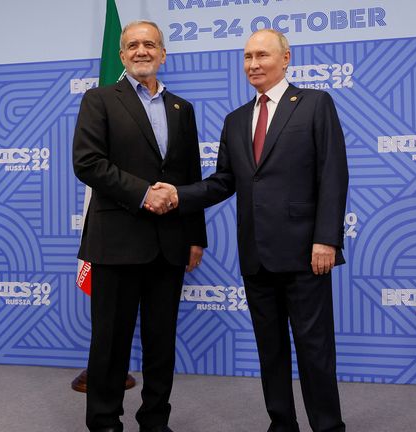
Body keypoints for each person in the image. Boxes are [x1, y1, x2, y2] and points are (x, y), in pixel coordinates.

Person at [149, 29, 347, 432]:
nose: (253, 64)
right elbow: (223, 181)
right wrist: (178, 194)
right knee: (269, 349)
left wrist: (326, 239)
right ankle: (281, 423)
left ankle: (328, 426)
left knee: (315, 350)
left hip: (306, 254)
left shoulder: (314, 104)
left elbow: (333, 175)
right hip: (255, 254)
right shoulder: (236, 119)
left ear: (286, 58)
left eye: (262, 55)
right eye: (247, 57)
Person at [72, 20, 207, 432]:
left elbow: (191, 176)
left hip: (169, 244)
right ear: (122, 55)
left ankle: (155, 420)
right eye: (133, 45)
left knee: (161, 342)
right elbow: (88, 163)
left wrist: (196, 237)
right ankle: (104, 420)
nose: (142, 51)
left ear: (163, 54)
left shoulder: (182, 108)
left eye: (150, 44)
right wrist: (144, 193)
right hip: (115, 241)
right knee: (110, 342)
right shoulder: (99, 100)